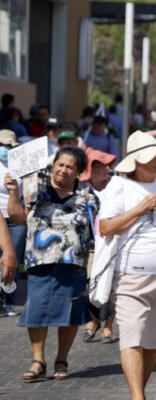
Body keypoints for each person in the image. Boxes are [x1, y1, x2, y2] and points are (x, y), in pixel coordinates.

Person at [99, 131, 156, 400]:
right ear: (135, 163)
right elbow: (106, 227)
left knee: (153, 339)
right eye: (152, 159)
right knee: (133, 335)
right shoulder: (118, 187)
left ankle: (140, 398)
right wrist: (140, 208)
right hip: (131, 274)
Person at [6, 147, 98, 382]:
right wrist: (14, 192)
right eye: (60, 164)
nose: (64, 170)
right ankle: (38, 361)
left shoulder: (88, 196)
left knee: (68, 313)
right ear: (53, 165)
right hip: (39, 262)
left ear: (77, 172)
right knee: (36, 311)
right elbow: (17, 218)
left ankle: (62, 359)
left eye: (70, 167)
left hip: (73, 263)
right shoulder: (35, 192)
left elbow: (97, 228)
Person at [80, 148, 118, 344]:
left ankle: (108, 326)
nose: (107, 168)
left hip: (113, 243)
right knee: (89, 285)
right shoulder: (82, 190)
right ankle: (93, 320)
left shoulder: (117, 186)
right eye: (102, 165)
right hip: (91, 246)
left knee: (112, 285)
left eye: (108, 164)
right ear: (91, 169)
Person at [0, 130, 25, 317]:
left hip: (16, 219)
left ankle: (9, 301)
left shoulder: (21, 166)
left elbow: (27, 192)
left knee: (12, 260)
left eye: (8, 146)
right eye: (2, 145)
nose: (4, 149)